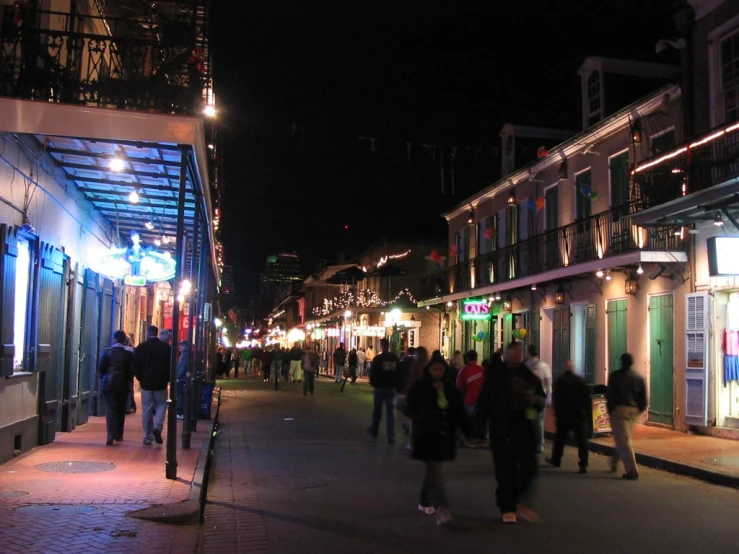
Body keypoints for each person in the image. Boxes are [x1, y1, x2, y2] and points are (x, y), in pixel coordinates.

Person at [475, 341, 546, 524]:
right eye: (513, 350)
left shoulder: (529, 376)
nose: (517, 354)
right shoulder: (496, 376)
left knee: (529, 466)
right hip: (502, 428)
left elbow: (540, 398)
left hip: (524, 428)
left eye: (520, 351)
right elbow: (484, 402)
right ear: (505, 354)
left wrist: (536, 401)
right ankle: (507, 507)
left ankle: (517, 498)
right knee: (505, 470)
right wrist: (477, 427)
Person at [406, 357, 473, 525]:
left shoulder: (450, 388)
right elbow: (411, 406)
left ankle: (424, 500)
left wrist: (469, 432)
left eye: (440, 370)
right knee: (435, 471)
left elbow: (459, 412)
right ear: (429, 370)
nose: (437, 373)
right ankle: (442, 508)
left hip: (444, 436)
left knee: (432, 472)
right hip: (427, 436)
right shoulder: (421, 386)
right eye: (434, 369)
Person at [607, 352, 647, 480]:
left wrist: (611, 408)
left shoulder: (615, 376)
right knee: (623, 437)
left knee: (624, 440)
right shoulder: (638, 377)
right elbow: (643, 398)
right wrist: (639, 410)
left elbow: (610, 394)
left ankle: (632, 470)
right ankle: (615, 459)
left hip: (620, 409)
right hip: (633, 410)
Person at [546, 360, 590, 473]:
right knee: (581, 440)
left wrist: (556, 411)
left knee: (560, 439)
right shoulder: (580, 381)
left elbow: (556, 398)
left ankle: (556, 459)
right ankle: (583, 463)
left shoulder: (560, 381)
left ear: (565, 368)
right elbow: (586, 398)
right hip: (578, 414)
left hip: (564, 414)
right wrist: (587, 412)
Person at [134, 325, 171, 446]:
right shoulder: (166, 347)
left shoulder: (141, 347)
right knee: (161, 404)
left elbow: (136, 365)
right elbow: (170, 365)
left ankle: (148, 436)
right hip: (161, 382)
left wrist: (140, 378)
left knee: (147, 409)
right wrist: (167, 378)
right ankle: (157, 426)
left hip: (146, 383)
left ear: (149, 332)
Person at [98, 330, 134, 445]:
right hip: (123, 384)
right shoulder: (128, 353)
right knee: (121, 408)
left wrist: (105, 376)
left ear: (114, 339)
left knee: (111, 408)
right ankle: (118, 433)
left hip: (108, 383)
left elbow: (101, 368)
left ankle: (110, 434)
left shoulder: (107, 352)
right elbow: (131, 370)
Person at [367, 338, 400, 443]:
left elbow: (373, 372)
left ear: (381, 346)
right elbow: (398, 372)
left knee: (377, 411)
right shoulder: (394, 359)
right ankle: (390, 434)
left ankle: (374, 430)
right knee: (390, 412)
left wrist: (374, 383)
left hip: (380, 387)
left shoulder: (378, 359)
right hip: (391, 387)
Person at [526, 345, 552, 454]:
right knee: (540, 421)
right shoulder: (544, 366)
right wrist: (549, 395)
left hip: (529, 398)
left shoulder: (526, 365)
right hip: (541, 398)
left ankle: (533, 442)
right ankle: (539, 442)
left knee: (531, 420)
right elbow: (548, 382)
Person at [456, 350, 485, 441]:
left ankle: (461, 438)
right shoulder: (482, 370)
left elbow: (459, 386)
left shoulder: (463, 371)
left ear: (467, 359)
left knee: (464, 419)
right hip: (480, 400)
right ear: (476, 359)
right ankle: (479, 437)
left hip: (468, 399)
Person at [176, 340, 190, 420]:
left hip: (182, 379)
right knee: (181, 396)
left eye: (183, 345)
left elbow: (181, 367)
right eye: (180, 345)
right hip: (183, 378)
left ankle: (180, 412)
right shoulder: (184, 354)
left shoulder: (185, 355)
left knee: (180, 396)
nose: (180, 347)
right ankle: (181, 412)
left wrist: (178, 377)